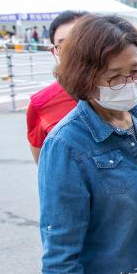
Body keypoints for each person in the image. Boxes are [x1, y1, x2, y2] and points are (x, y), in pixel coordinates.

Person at [38, 14, 137, 274]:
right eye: (114, 77)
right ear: (85, 79)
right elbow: (60, 254)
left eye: (135, 71)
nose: (128, 83)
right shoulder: (66, 145)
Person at [26, 11, 84, 162]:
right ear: (55, 52)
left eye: (83, 40)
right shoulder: (41, 103)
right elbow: (43, 163)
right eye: (64, 45)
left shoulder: (124, 86)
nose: (75, 50)